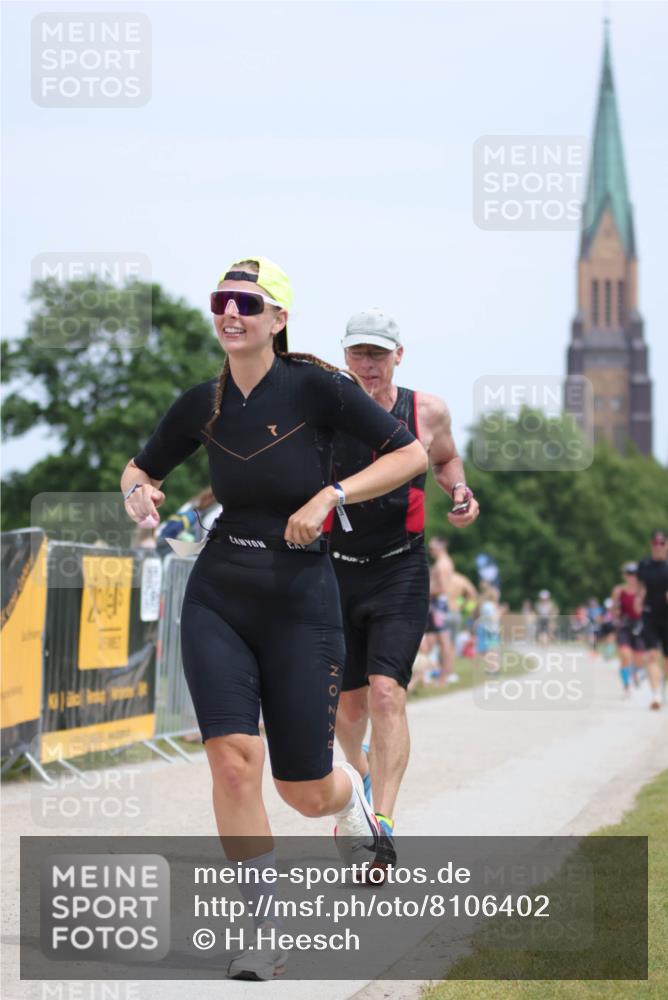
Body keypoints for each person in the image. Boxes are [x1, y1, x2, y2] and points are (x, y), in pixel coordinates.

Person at [120, 259, 427, 979]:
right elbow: (143, 469)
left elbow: (409, 454)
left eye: (247, 303)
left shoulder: (318, 387)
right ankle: (260, 926)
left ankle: (353, 798)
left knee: (301, 787)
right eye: (221, 301)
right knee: (232, 763)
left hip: (300, 600)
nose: (231, 314)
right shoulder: (203, 402)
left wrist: (331, 497)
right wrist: (139, 492)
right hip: (220, 594)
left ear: (278, 318)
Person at [328, 308, 479, 870]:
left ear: (399, 355)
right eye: (358, 353)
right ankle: (364, 776)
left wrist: (459, 490)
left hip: (400, 568)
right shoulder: (326, 410)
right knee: (347, 710)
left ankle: (382, 827)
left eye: (378, 353)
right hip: (336, 567)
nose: (367, 364)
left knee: (387, 691)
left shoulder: (428, 410)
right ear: (344, 356)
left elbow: (445, 460)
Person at [637, 530, 668, 710]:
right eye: (655, 543)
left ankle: (663, 687)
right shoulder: (644, 565)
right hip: (649, 615)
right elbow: (640, 587)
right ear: (651, 545)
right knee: (651, 655)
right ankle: (655, 694)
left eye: (661, 543)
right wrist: (638, 599)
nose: (658, 546)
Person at [422, 536, 458, 685]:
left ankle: (444, 676)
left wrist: (425, 592)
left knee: (444, 641)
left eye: (432, 548)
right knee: (435, 640)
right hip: (438, 605)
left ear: (440, 547)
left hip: (439, 605)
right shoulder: (445, 562)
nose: (430, 551)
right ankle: (435, 674)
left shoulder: (442, 565)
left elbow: (443, 589)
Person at [611, 563, 644, 698]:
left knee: (638, 659)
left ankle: (635, 672)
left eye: (634, 574)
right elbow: (614, 609)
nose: (632, 577)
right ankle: (626, 686)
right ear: (625, 575)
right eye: (629, 574)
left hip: (639, 626)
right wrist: (616, 614)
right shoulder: (618, 590)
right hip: (624, 625)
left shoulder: (643, 590)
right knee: (625, 655)